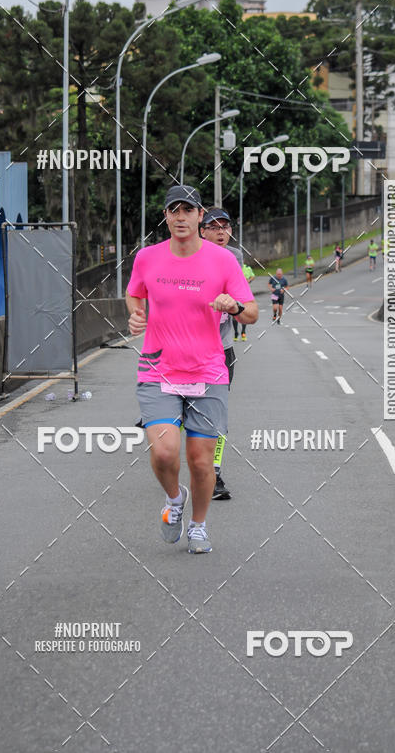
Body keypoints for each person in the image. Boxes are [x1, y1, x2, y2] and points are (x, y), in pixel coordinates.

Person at [126, 185, 258, 554]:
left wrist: (232, 306)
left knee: (201, 462)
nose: (181, 217)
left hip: (208, 371)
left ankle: (198, 526)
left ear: (200, 216)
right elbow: (135, 292)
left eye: (188, 210)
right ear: (166, 216)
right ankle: (174, 499)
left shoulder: (223, 261)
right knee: (165, 452)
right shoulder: (148, 258)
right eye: (174, 210)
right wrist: (136, 315)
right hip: (158, 368)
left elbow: (251, 312)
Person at [199, 206, 244, 501]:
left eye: (225, 227)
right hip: (186, 350)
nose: (220, 232)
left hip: (222, 351)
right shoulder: (187, 257)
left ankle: (214, 473)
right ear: (201, 231)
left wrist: (234, 304)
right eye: (214, 227)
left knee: (217, 416)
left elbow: (244, 304)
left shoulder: (235, 259)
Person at [234, 264, 255, 340]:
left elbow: (253, 276)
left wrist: (248, 280)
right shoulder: (234, 266)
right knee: (235, 314)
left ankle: (243, 332)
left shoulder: (247, 268)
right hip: (235, 293)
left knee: (244, 312)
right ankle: (236, 332)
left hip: (244, 294)